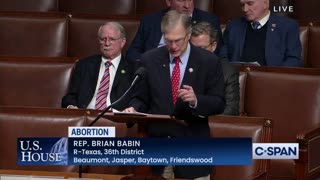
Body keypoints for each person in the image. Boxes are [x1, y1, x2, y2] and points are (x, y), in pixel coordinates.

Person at [124, 10, 225, 180]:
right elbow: (140, 98)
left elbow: (219, 102)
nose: (173, 46)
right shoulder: (149, 59)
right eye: (168, 41)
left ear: (188, 35)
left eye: (177, 40)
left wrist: (196, 101)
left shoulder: (208, 61)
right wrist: (134, 108)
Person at [62, 22, 135, 111]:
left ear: (122, 42)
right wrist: (71, 107)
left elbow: (138, 100)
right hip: (85, 116)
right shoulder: (84, 65)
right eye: (103, 39)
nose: (107, 43)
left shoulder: (133, 68)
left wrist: (132, 109)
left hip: (115, 118)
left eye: (112, 39)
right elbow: (70, 96)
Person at [126, 0, 223, 62]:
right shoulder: (150, 21)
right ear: (168, 2)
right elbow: (133, 52)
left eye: (190, 0)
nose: (187, 5)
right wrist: (147, 65)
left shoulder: (209, 20)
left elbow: (219, 53)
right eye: (181, 0)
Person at [220, 0, 302, 67]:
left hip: (271, 80)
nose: (245, 9)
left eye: (250, 3)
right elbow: (223, 56)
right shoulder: (233, 26)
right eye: (242, 5)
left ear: (265, 3)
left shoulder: (287, 26)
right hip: (236, 78)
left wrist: (274, 76)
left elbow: (294, 60)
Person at [190, 22, 240, 116]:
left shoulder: (227, 72)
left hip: (213, 124)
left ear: (213, 46)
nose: (197, 53)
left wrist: (202, 121)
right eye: (193, 48)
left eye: (202, 48)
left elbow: (231, 110)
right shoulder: (184, 67)